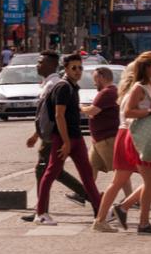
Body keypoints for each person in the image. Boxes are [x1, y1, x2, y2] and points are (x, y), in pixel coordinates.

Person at [95, 52, 151, 234]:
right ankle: (143, 220)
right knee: (148, 180)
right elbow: (128, 112)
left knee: (150, 180)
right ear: (146, 68)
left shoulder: (145, 86)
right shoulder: (140, 87)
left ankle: (127, 213)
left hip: (138, 135)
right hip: (138, 136)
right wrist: (150, 111)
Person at [33, 53, 103, 226]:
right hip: (63, 139)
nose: (78, 71)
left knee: (87, 175)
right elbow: (59, 115)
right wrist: (65, 142)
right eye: (74, 68)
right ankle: (41, 213)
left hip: (76, 137)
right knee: (51, 173)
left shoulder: (73, 87)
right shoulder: (63, 87)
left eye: (80, 68)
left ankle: (100, 212)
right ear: (65, 69)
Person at [22, 51, 91, 223]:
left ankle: (42, 211)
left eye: (41, 62)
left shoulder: (54, 84)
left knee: (46, 170)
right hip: (52, 134)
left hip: (55, 135)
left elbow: (53, 115)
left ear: (52, 65)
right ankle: (90, 197)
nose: (37, 65)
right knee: (53, 171)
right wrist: (35, 135)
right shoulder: (48, 83)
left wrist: (41, 136)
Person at [80, 66, 130, 197]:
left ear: (101, 77)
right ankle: (84, 194)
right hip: (100, 139)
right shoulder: (111, 91)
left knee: (121, 170)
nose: (94, 82)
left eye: (95, 79)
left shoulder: (107, 92)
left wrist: (81, 108)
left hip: (107, 139)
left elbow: (93, 110)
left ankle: (131, 198)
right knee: (90, 168)